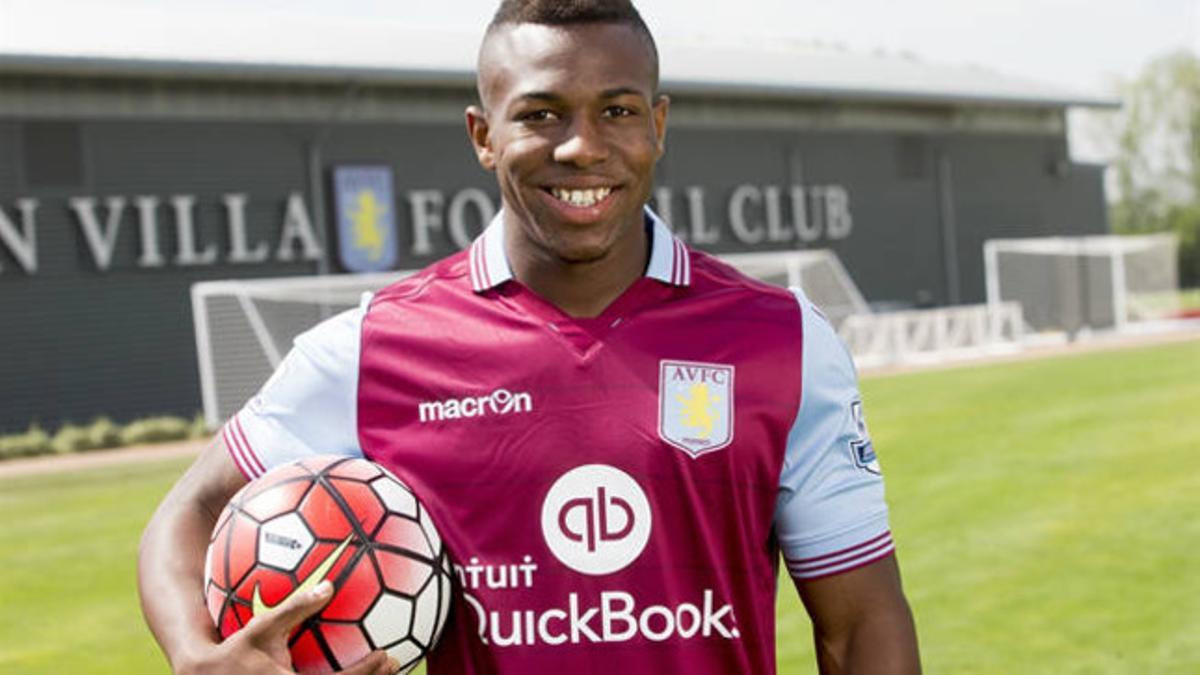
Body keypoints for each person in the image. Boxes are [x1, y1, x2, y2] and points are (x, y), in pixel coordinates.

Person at [138, 0, 921, 672]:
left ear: (657, 125)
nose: (582, 146)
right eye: (541, 113)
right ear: (483, 134)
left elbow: (861, 626)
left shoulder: (781, 341)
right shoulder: (370, 349)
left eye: (616, 110)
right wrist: (195, 651)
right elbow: (188, 513)